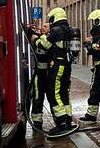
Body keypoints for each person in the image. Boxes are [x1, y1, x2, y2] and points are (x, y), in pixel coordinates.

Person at [25, 7, 78, 139]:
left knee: (54, 93)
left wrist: (33, 37)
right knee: (63, 93)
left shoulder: (56, 30)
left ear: (55, 17)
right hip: (66, 65)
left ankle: (62, 122)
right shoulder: (67, 30)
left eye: (51, 19)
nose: (50, 22)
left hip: (58, 65)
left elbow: (44, 45)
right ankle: (68, 120)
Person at [27, 23, 50, 132]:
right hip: (39, 74)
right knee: (37, 98)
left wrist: (35, 36)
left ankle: (60, 122)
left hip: (50, 74)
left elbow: (42, 43)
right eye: (42, 26)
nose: (42, 28)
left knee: (53, 99)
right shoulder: (39, 37)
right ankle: (37, 122)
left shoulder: (49, 39)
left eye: (45, 26)